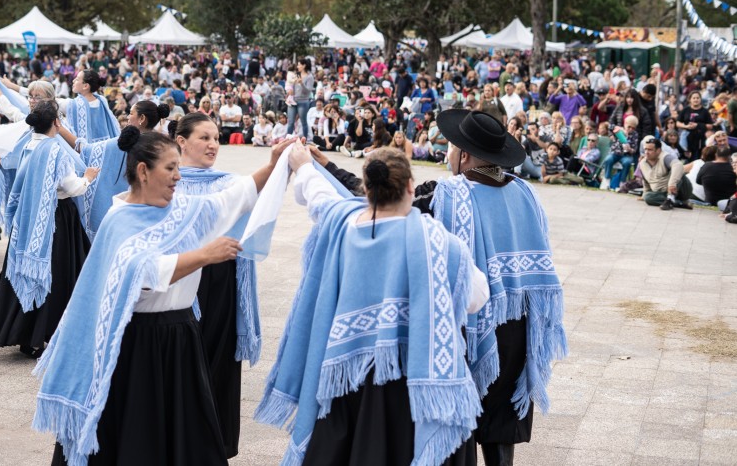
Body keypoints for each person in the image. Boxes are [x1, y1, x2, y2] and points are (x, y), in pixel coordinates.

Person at [34, 127, 287, 466]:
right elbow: (142, 274)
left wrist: (273, 165)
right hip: (138, 345)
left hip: (181, 337)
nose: (178, 176)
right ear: (143, 171)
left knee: (186, 437)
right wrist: (203, 255)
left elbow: (230, 200)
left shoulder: (181, 210)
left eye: (178, 167)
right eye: (170, 168)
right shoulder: (119, 218)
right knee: (139, 436)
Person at [256, 146, 489, 466]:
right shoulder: (437, 242)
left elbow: (320, 197)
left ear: (366, 189)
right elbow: (477, 297)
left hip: (348, 376)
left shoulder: (341, 225)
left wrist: (305, 166)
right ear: (411, 187)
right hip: (413, 381)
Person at [429, 110, 567, 466]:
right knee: (502, 422)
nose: (447, 153)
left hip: (470, 325)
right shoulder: (525, 192)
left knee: (458, 424)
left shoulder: (448, 195)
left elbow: (388, 205)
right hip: (518, 325)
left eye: (451, 147)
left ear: (464, 154)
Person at [173, 113, 277, 458]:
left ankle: (214, 447)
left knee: (217, 365)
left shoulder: (230, 183)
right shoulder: (168, 182)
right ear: (181, 141)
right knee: (180, 365)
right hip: (177, 281)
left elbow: (261, 204)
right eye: (204, 137)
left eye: (216, 138)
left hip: (221, 283)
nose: (213, 145)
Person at [0, 101, 99, 357]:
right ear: (56, 122)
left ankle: (26, 334)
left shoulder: (28, 144)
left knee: (26, 271)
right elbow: (72, 187)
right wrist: (88, 177)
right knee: (56, 272)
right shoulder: (55, 150)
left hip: (30, 214)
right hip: (56, 217)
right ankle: (44, 333)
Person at [79, 100, 171, 241]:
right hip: (155, 210)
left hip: (131, 210)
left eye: (131, 113)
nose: (128, 116)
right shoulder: (163, 144)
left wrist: (60, 129)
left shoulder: (129, 142)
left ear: (142, 118)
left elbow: (85, 150)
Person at [65, 69, 120, 145]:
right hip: (105, 145)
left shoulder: (74, 104)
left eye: (77, 79)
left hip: (86, 148)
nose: (73, 81)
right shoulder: (102, 100)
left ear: (85, 86)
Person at [639, 135, 693, 210]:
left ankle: (670, 199)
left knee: (677, 171)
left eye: (650, 150)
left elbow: (678, 165)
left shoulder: (665, 157)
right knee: (648, 197)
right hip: (661, 193)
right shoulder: (642, 163)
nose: (646, 152)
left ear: (658, 150)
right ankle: (680, 203)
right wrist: (645, 193)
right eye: (645, 149)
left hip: (680, 189)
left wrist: (672, 184)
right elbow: (645, 180)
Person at [697, 146, 736, 211]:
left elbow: (698, 181)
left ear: (716, 155)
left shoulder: (706, 166)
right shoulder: (733, 168)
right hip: (728, 203)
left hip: (709, 202)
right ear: (729, 157)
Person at [286, 59, 315, 139]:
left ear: (304, 65)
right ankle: (287, 140)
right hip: (292, 100)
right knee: (290, 122)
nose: (297, 66)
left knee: (303, 122)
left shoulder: (309, 77)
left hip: (303, 101)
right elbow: (290, 84)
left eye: (299, 65)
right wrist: (289, 90)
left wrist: (302, 83)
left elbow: (308, 91)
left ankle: (304, 139)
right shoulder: (296, 74)